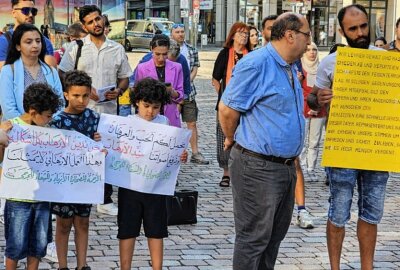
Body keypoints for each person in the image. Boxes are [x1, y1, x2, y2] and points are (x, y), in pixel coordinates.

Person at [218, 13, 310, 269]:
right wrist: (230, 138)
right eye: (307, 34)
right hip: (257, 168)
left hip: (286, 167)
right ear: (290, 35)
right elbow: (227, 110)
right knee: (253, 239)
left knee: (273, 238)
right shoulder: (257, 64)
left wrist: (314, 101)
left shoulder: (292, 65)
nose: (310, 41)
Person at [307, 4, 389, 270]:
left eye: (364, 25)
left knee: (371, 214)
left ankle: (368, 267)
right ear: (342, 32)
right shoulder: (330, 62)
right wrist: (318, 99)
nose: (361, 32)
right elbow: (313, 100)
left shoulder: (385, 59)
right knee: (338, 213)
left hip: (378, 148)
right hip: (343, 147)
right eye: (353, 29)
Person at [59, 4, 132, 216]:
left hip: (107, 110)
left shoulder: (116, 48)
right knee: (77, 152)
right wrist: (79, 88)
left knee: (106, 152)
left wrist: (118, 90)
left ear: (103, 19)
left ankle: (105, 198)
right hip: (80, 111)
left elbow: (125, 76)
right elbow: (62, 73)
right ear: (84, 25)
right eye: (90, 22)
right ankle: (75, 193)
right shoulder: (76, 47)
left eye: (98, 19)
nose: (96, 24)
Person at [118, 77, 187, 270]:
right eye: (146, 106)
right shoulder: (126, 123)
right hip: (130, 185)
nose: (150, 111)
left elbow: (173, 151)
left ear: (162, 106)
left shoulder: (164, 123)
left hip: (156, 187)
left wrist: (180, 155)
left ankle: (157, 267)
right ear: (136, 103)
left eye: (155, 107)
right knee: (127, 230)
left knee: (156, 230)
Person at [3, 82, 62, 270]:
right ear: (33, 111)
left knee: (39, 244)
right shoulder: (12, 129)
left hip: (43, 196)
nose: (49, 119)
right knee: (16, 245)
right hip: (18, 197)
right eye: (47, 116)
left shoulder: (49, 131)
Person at [49, 70, 102, 270]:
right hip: (64, 183)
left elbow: (106, 145)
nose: (81, 100)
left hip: (86, 181)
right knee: (63, 224)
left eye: (86, 96)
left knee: (83, 222)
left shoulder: (94, 118)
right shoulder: (56, 121)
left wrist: (100, 141)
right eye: (76, 95)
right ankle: (62, 265)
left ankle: (82, 265)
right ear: (66, 95)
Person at [0, 23, 64, 121]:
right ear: (18, 46)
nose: (35, 45)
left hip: (49, 129)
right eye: (29, 42)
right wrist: (30, 125)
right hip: (18, 130)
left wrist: (48, 123)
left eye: (38, 41)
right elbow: (8, 109)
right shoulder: (8, 71)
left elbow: (60, 104)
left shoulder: (51, 71)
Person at [212, 22, 249, 187]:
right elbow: (215, 79)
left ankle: (242, 171)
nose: (244, 36)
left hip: (247, 105)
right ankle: (226, 172)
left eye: (246, 34)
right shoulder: (225, 54)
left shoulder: (251, 55)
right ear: (233, 35)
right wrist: (225, 96)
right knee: (224, 136)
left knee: (244, 137)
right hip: (226, 105)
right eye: (241, 33)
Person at [170, 23, 209, 164]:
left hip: (188, 92)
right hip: (170, 94)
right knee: (170, 124)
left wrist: (186, 82)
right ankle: (172, 153)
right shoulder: (167, 49)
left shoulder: (192, 50)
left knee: (191, 122)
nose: (180, 34)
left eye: (182, 31)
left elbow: (194, 69)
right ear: (171, 34)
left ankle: (195, 152)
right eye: (177, 32)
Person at [134, 34, 183, 127]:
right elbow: (138, 94)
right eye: (157, 54)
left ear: (168, 51)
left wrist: (172, 92)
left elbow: (180, 95)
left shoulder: (177, 67)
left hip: (170, 116)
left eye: (165, 54)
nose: (161, 58)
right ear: (151, 49)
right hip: (148, 116)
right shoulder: (142, 68)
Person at [0, 0, 57, 70]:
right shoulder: (4, 40)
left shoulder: (45, 41)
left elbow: (50, 72)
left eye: (33, 11)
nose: (30, 15)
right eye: (25, 10)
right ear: (14, 13)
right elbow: (4, 72)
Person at [300, 42, 326, 173]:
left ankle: (311, 168)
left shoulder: (322, 68)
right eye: (308, 49)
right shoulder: (299, 67)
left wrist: (317, 105)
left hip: (319, 109)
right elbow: (299, 90)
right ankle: (302, 166)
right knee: (302, 140)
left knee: (314, 141)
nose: (312, 52)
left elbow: (325, 88)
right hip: (303, 108)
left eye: (314, 50)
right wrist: (309, 103)